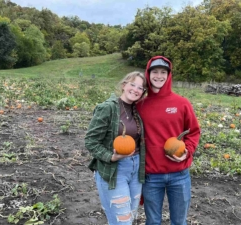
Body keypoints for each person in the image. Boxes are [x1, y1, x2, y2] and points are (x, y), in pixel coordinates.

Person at [136, 56, 201, 225]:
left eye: (163, 72)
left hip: (179, 174)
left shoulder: (181, 103)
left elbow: (193, 131)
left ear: (169, 75)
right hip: (151, 176)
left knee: (179, 222)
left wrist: (187, 151)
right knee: (153, 221)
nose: (159, 76)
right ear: (148, 75)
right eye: (154, 72)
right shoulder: (140, 105)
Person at [85, 71, 147, 225]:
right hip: (114, 170)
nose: (135, 89)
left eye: (140, 88)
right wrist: (110, 156)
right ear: (124, 85)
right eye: (132, 84)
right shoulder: (107, 108)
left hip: (135, 169)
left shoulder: (136, 110)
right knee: (122, 221)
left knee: (130, 217)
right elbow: (91, 141)